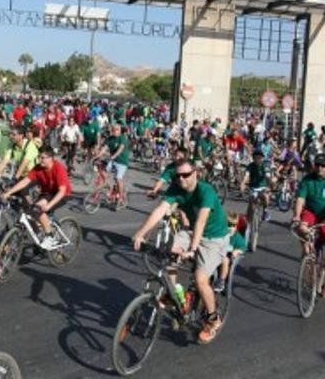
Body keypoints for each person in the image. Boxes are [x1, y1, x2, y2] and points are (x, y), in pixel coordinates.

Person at [132, 158, 230, 344]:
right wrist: (140, 234)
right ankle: (172, 294)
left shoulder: (205, 190)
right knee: (171, 252)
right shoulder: (176, 188)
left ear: (196, 174)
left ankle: (213, 318)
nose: (181, 179)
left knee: (201, 280)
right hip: (192, 231)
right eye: (178, 176)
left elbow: (201, 221)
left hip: (214, 238)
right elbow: (160, 210)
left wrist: (193, 249)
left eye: (186, 175)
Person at [291, 153, 325, 301]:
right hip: (311, 213)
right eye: (317, 165)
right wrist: (296, 215)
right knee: (301, 227)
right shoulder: (308, 179)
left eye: (323, 166)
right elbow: (300, 199)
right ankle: (307, 256)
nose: (320, 168)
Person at [1, 146, 72, 250]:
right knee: (31, 211)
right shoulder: (38, 168)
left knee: (38, 209)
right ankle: (43, 229)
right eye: (39, 157)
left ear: (51, 158)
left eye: (43, 158)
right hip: (48, 193)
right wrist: (9, 192)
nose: (40, 160)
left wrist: (49, 205)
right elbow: (25, 181)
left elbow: (62, 191)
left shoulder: (58, 168)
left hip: (62, 194)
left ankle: (50, 236)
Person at [99, 123, 130, 205]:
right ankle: (108, 186)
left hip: (122, 161)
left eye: (117, 130)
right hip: (112, 160)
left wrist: (113, 156)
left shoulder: (122, 138)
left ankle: (120, 196)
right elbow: (104, 148)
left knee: (118, 178)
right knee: (102, 168)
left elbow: (120, 149)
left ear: (120, 131)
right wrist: (97, 156)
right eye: (113, 129)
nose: (115, 131)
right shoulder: (110, 139)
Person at [241, 150, 272, 221]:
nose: (258, 159)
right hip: (253, 187)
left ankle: (265, 211)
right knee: (251, 204)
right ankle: (249, 223)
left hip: (263, 187)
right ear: (253, 158)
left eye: (260, 157)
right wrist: (243, 183)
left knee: (266, 196)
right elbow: (246, 176)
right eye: (256, 157)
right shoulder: (250, 166)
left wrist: (270, 185)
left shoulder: (265, 166)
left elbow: (268, 176)